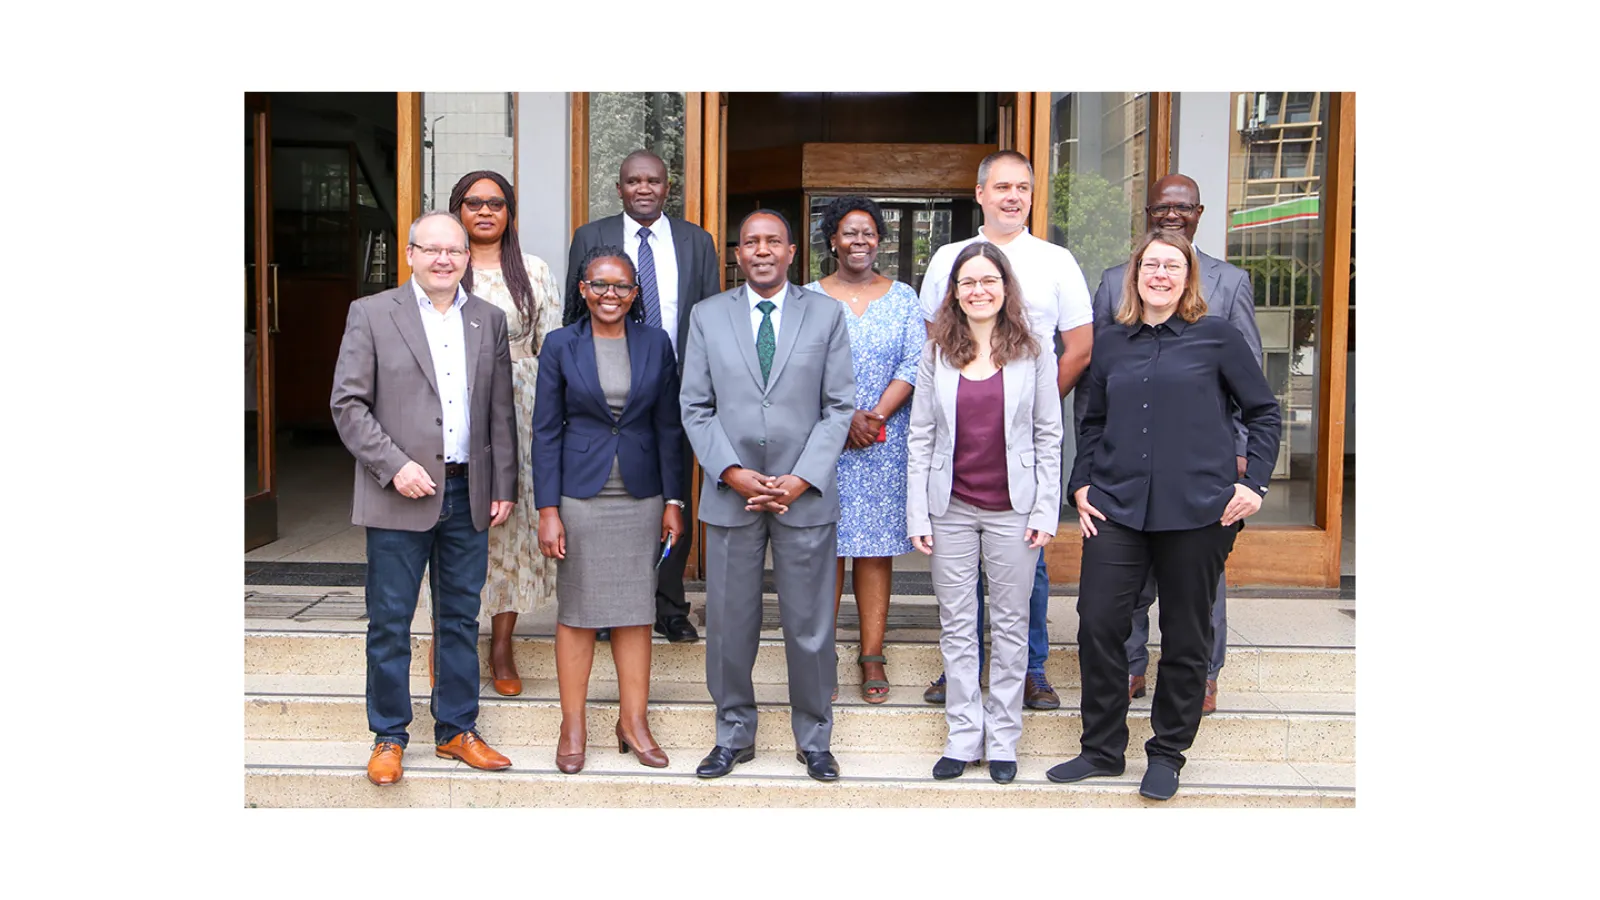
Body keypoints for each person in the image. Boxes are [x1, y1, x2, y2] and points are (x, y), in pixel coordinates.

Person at [1047, 229, 1280, 801]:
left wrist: (1254, 484)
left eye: (1172, 266)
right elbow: (1092, 423)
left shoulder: (1218, 338)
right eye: (1151, 264)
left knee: (1185, 632)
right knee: (1099, 621)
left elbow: (1265, 412)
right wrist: (1081, 485)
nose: (1160, 274)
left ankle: (1168, 752)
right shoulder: (1111, 343)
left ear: (1187, 276)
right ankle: (1102, 749)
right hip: (1118, 507)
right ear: (1136, 274)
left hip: (1199, 511)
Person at [329, 211, 518, 786]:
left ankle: (456, 730)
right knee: (390, 621)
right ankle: (389, 736)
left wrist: (503, 486)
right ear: (410, 253)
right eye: (431, 249)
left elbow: (500, 413)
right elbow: (348, 405)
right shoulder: (371, 314)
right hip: (400, 494)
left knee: (459, 619)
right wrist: (394, 466)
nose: (443, 259)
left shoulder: (488, 320)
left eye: (454, 251)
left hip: (470, 492)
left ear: (467, 258)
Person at [679, 210, 855, 782]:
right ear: (737, 254)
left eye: (771, 241)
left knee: (809, 624)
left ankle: (814, 737)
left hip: (804, 495)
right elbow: (695, 406)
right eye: (750, 242)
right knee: (730, 622)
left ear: (791, 251)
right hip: (732, 494)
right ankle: (733, 733)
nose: (760, 250)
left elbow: (839, 408)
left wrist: (802, 477)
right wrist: (730, 471)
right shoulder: (707, 316)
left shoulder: (825, 315)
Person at [917, 150, 1092, 710]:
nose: (1012, 196)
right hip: (960, 446)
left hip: (1021, 446)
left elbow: (1081, 345)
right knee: (958, 576)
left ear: (1033, 196)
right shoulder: (948, 257)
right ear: (980, 194)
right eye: (1002, 187)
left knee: (1027, 562)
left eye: (1022, 187)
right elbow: (936, 340)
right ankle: (959, 670)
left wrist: (1021, 406)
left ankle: (1032, 667)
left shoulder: (1057, 260)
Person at [1084, 174, 1264, 715]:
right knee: (1119, 592)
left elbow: (1249, 385)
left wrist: (1241, 465)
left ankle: (1202, 675)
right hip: (1125, 472)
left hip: (1204, 470)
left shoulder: (1229, 282)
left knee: (1197, 594)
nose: (1171, 214)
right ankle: (1131, 666)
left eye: (1182, 207)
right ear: (1148, 212)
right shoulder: (1115, 281)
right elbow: (1098, 393)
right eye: (1161, 206)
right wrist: (1085, 476)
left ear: (1199, 213)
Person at [907, 243, 1061, 785]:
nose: (978, 290)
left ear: (1005, 286)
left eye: (988, 280)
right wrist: (918, 514)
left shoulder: (1034, 350)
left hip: (1013, 511)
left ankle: (1002, 740)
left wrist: (1046, 507)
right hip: (949, 508)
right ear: (954, 291)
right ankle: (962, 736)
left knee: (1012, 626)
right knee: (957, 626)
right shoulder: (936, 352)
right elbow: (921, 436)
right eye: (967, 282)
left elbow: (1048, 434)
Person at [532, 246, 686, 774]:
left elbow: (669, 426)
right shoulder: (559, 345)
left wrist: (673, 499)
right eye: (600, 284)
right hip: (579, 496)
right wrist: (547, 508)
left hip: (641, 496)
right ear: (582, 289)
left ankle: (633, 722)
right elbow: (546, 431)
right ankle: (572, 725)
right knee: (576, 614)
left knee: (636, 612)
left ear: (635, 293)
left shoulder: (655, 343)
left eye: (621, 286)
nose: (610, 295)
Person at [413, 171, 561, 698]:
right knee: (457, 523)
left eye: (495, 203)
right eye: (472, 203)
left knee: (513, 529)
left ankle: (501, 645)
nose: (484, 211)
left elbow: (552, 350)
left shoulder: (535, 271)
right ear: (456, 210)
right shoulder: (444, 267)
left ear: (509, 212)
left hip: (522, 408)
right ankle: (446, 641)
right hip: (459, 409)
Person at [564, 150, 722, 644]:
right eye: (634, 180)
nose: (644, 188)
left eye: (653, 180)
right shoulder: (592, 237)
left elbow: (711, 314)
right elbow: (575, 309)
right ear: (619, 188)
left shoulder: (696, 241)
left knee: (674, 490)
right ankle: (611, 605)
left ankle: (669, 605)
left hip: (678, 386)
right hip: (608, 384)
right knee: (616, 493)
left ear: (666, 187)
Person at [802, 195, 924, 704]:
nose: (859, 241)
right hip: (822, 439)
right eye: (848, 233)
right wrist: (845, 416)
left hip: (883, 440)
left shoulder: (904, 298)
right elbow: (798, 369)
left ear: (880, 240)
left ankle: (872, 653)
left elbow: (916, 363)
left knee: (873, 551)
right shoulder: (806, 297)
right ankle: (822, 652)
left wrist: (874, 416)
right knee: (826, 547)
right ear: (832, 240)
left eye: (868, 233)